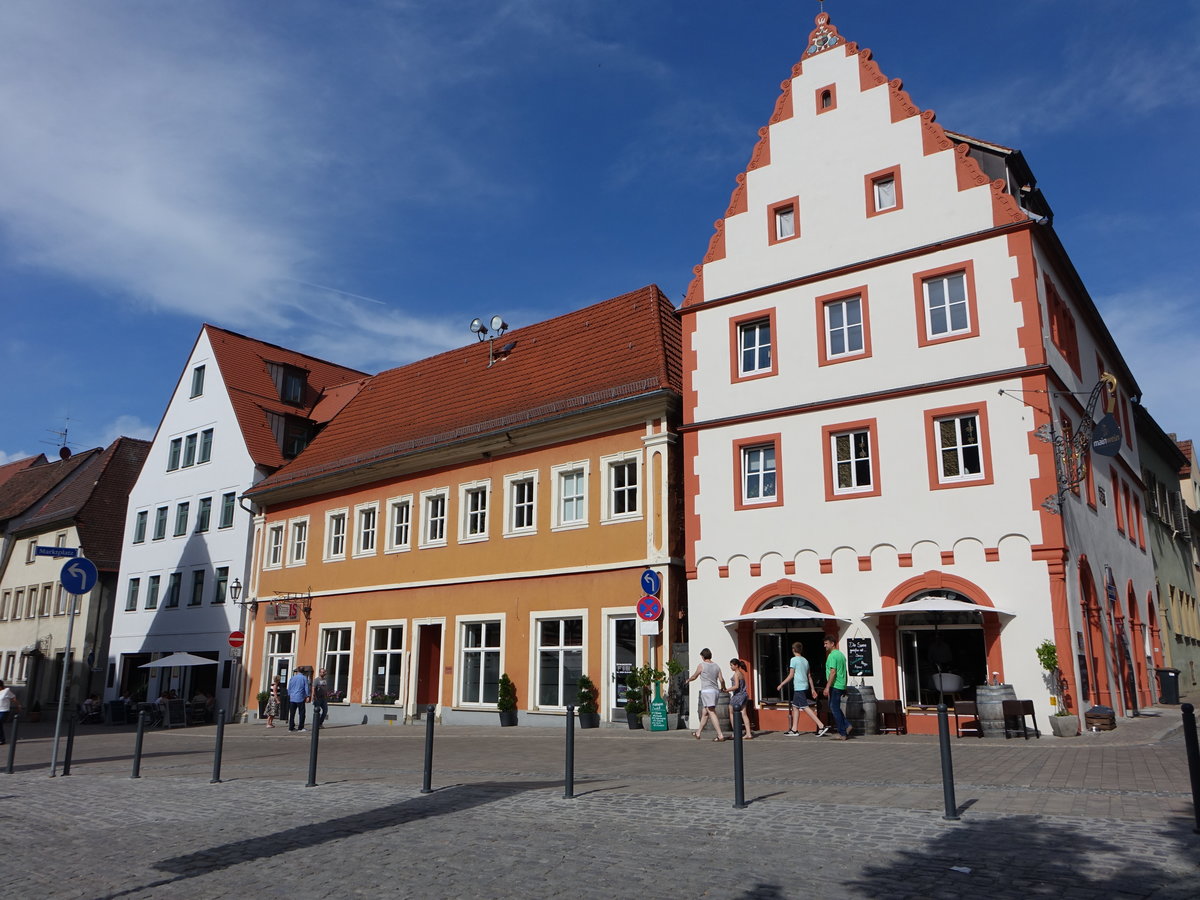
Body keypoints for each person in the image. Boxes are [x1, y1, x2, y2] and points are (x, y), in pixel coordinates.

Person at [776, 642, 827, 736]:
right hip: (804, 686)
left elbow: (791, 675)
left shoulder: (793, 660)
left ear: (793, 650)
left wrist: (782, 684)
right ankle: (794, 729)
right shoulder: (805, 661)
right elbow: (809, 676)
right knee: (795, 706)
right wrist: (812, 689)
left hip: (799, 687)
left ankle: (821, 725)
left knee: (804, 707)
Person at [686, 648, 727, 741]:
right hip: (715, 691)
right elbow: (721, 680)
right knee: (705, 712)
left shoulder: (702, 665)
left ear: (703, 656)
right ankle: (698, 732)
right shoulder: (717, 666)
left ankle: (720, 735)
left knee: (711, 711)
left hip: (707, 691)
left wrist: (688, 680)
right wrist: (723, 687)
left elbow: (695, 676)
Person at [823, 636, 852, 740]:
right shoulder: (841, 655)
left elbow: (833, 671)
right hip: (841, 685)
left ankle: (842, 733)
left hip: (835, 685)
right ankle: (847, 725)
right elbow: (844, 671)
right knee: (834, 707)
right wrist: (845, 685)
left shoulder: (832, 656)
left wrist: (827, 687)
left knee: (834, 708)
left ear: (832, 644)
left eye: (826, 643)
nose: (824, 646)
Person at [727, 659, 754, 740]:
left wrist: (726, 690)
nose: (731, 667)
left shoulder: (736, 674)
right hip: (744, 695)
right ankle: (748, 733)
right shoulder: (741, 673)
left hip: (738, 695)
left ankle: (736, 732)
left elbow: (736, 686)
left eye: (732, 665)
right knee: (744, 713)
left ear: (736, 665)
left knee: (731, 712)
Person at [287, 667, 311, 732]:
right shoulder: (304, 678)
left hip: (292, 698)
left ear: (297, 671)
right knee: (302, 713)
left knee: (292, 713)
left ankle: (291, 727)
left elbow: (289, 687)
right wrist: (308, 696)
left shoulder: (292, 678)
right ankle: (300, 727)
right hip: (300, 697)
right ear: (303, 671)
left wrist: (289, 694)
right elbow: (306, 687)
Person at [0, 680, 21, 745]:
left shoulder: (6, 691)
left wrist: (18, 705)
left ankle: (2, 739)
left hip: (4, 710)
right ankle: (1, 739)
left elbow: (13, 698)